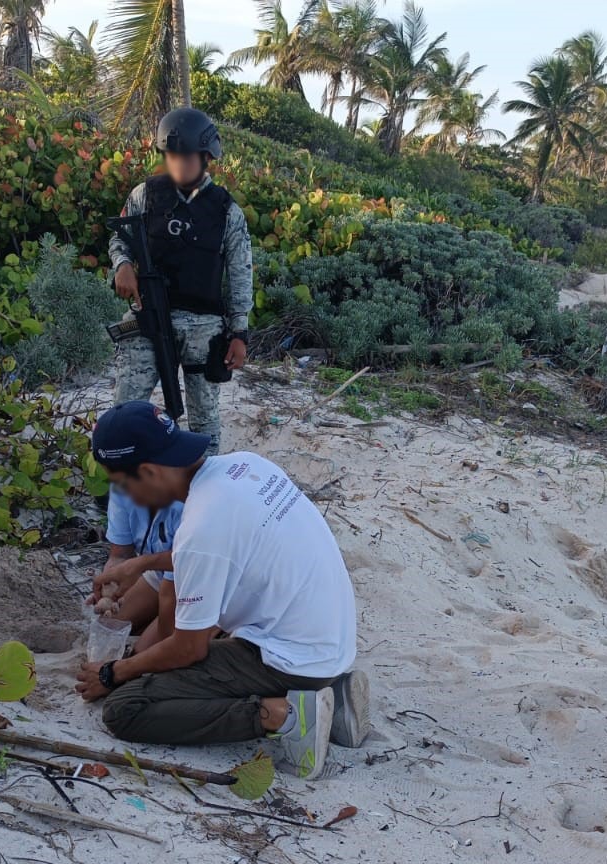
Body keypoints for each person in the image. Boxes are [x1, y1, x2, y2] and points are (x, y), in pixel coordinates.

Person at [74, 401, 370, 780]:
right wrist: (143, 564)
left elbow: (188, 648)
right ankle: (334, 697)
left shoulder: (201, 528)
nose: (126, 497)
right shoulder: (246, 467)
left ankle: (286, 716)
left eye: (123, 485)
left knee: (127, 707)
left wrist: (112, 673)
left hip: (289, 659)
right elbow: (219, 553)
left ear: (148, 472)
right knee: (171, 665)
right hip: (330, 645)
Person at [109, 107, 252, 457]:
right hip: (148, 317)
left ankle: (206, 485)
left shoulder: (226, 211)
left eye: (186, 157)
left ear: (205, 157)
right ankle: (120, 482)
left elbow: (239, 274)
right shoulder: (145, 195)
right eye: (172, 156)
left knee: (203, 419)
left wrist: (240, 333)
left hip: (204, 328)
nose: (178, 164)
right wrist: (122, 264)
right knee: (125, 408)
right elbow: (119, 238)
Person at [86, 486, 183, 655]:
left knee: (144, 653)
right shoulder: (121, 487)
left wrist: (141, 565)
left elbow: (186, 562)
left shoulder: (183, 501)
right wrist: (110, 590)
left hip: (199, 580)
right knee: (107, 628)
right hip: (159, 572)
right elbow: (120, 555)